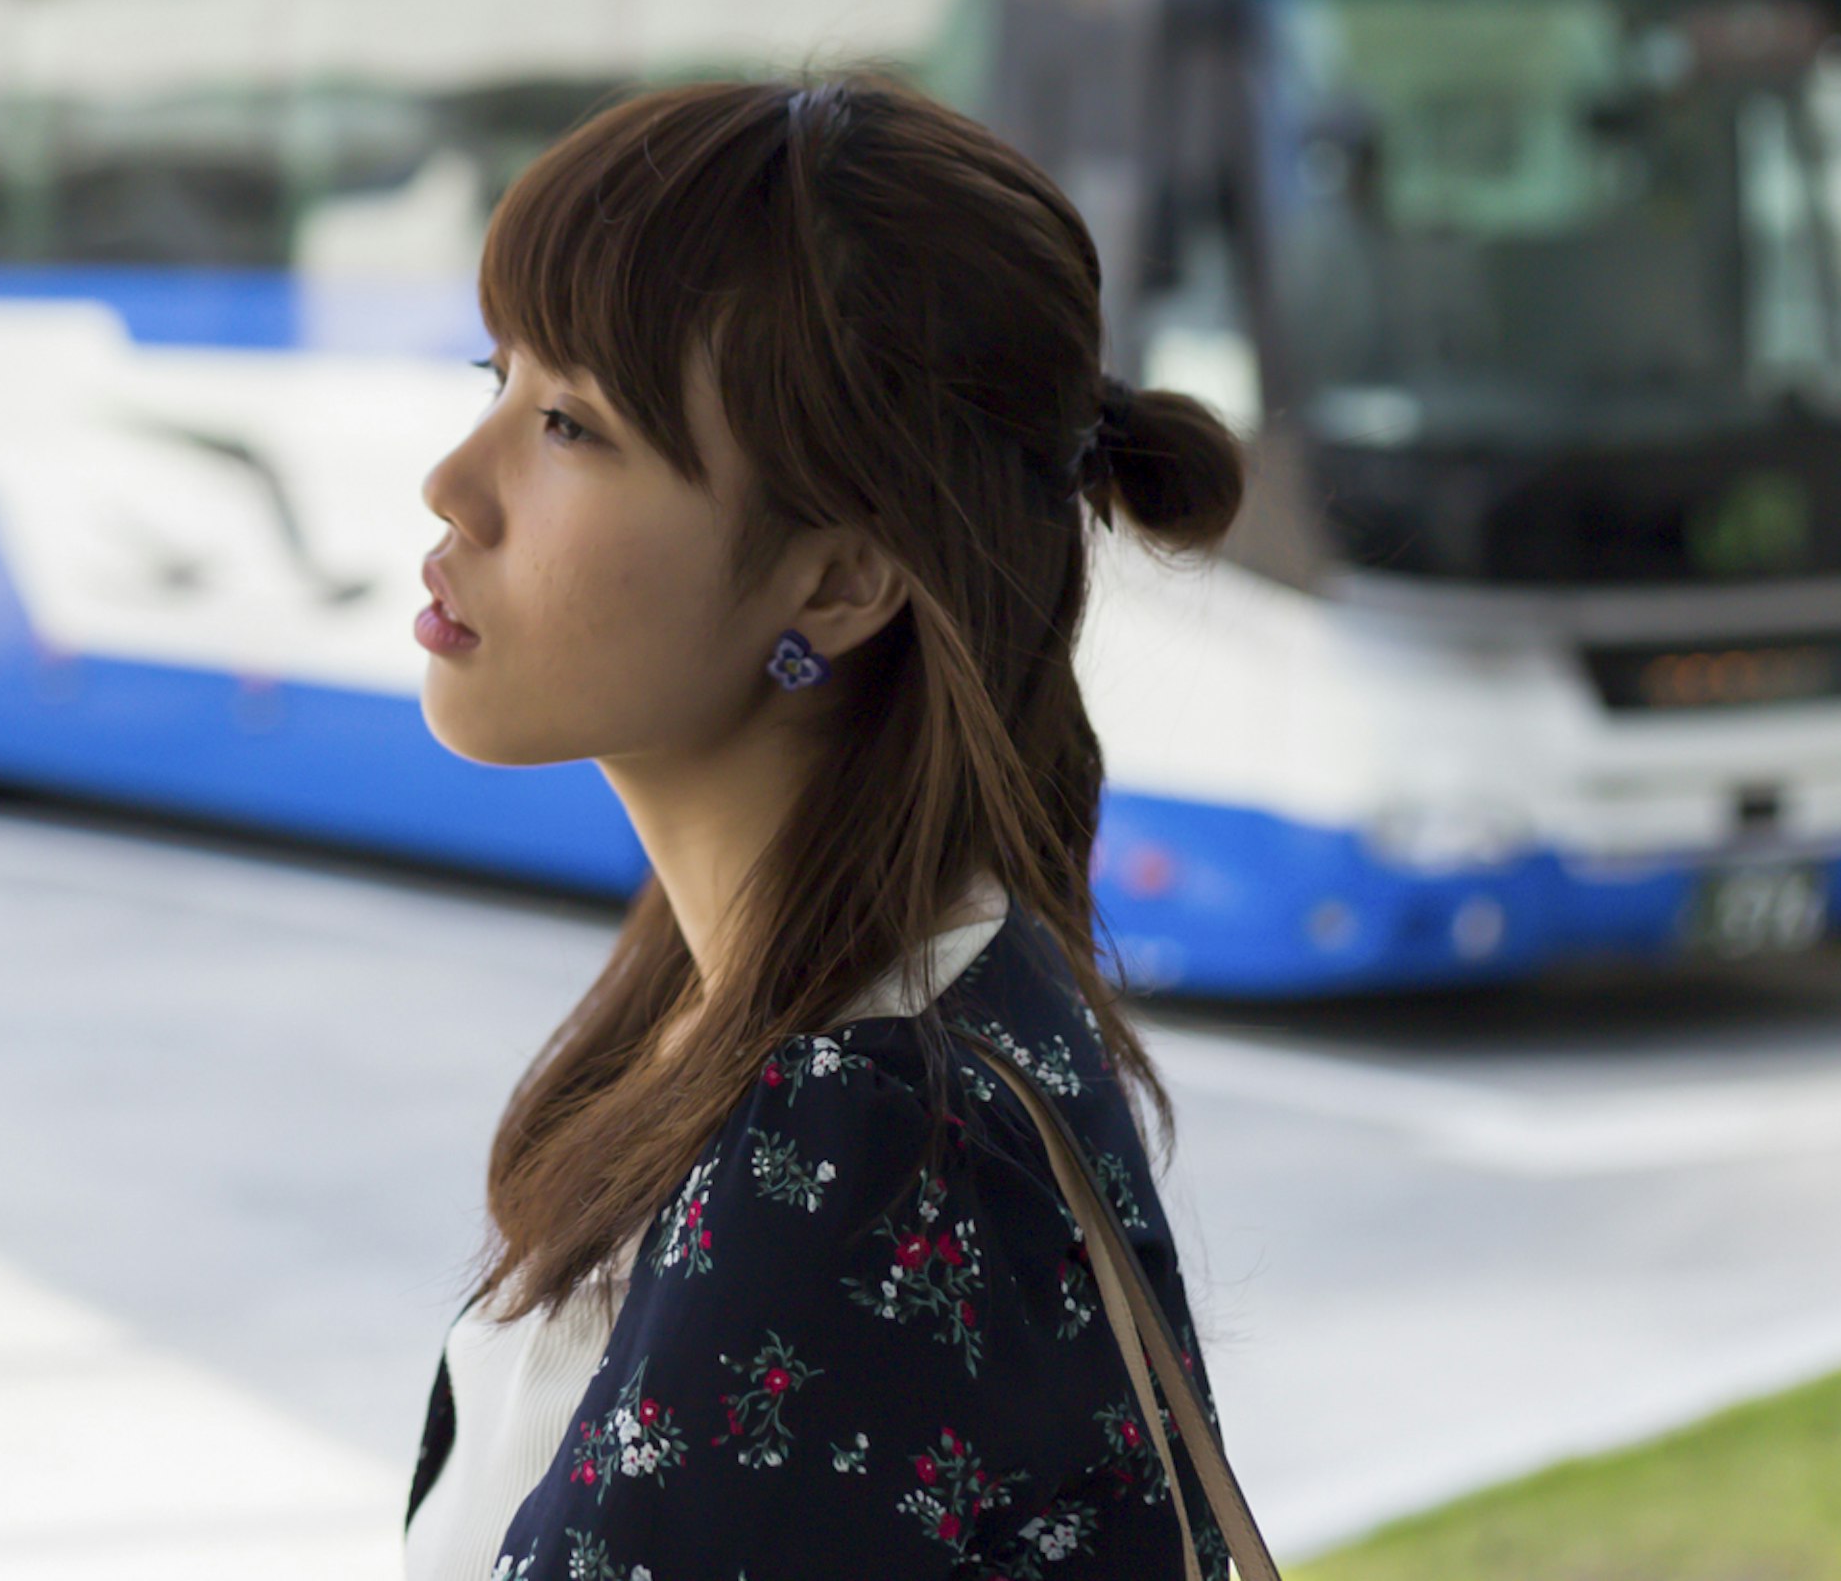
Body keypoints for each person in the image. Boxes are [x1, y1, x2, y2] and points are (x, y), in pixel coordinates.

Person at [400, 77, 1260, 1580]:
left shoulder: (870, 1136)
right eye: (497, 375)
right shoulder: (801, 988)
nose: (456, 483)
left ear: (840, 581)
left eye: (567, 422)